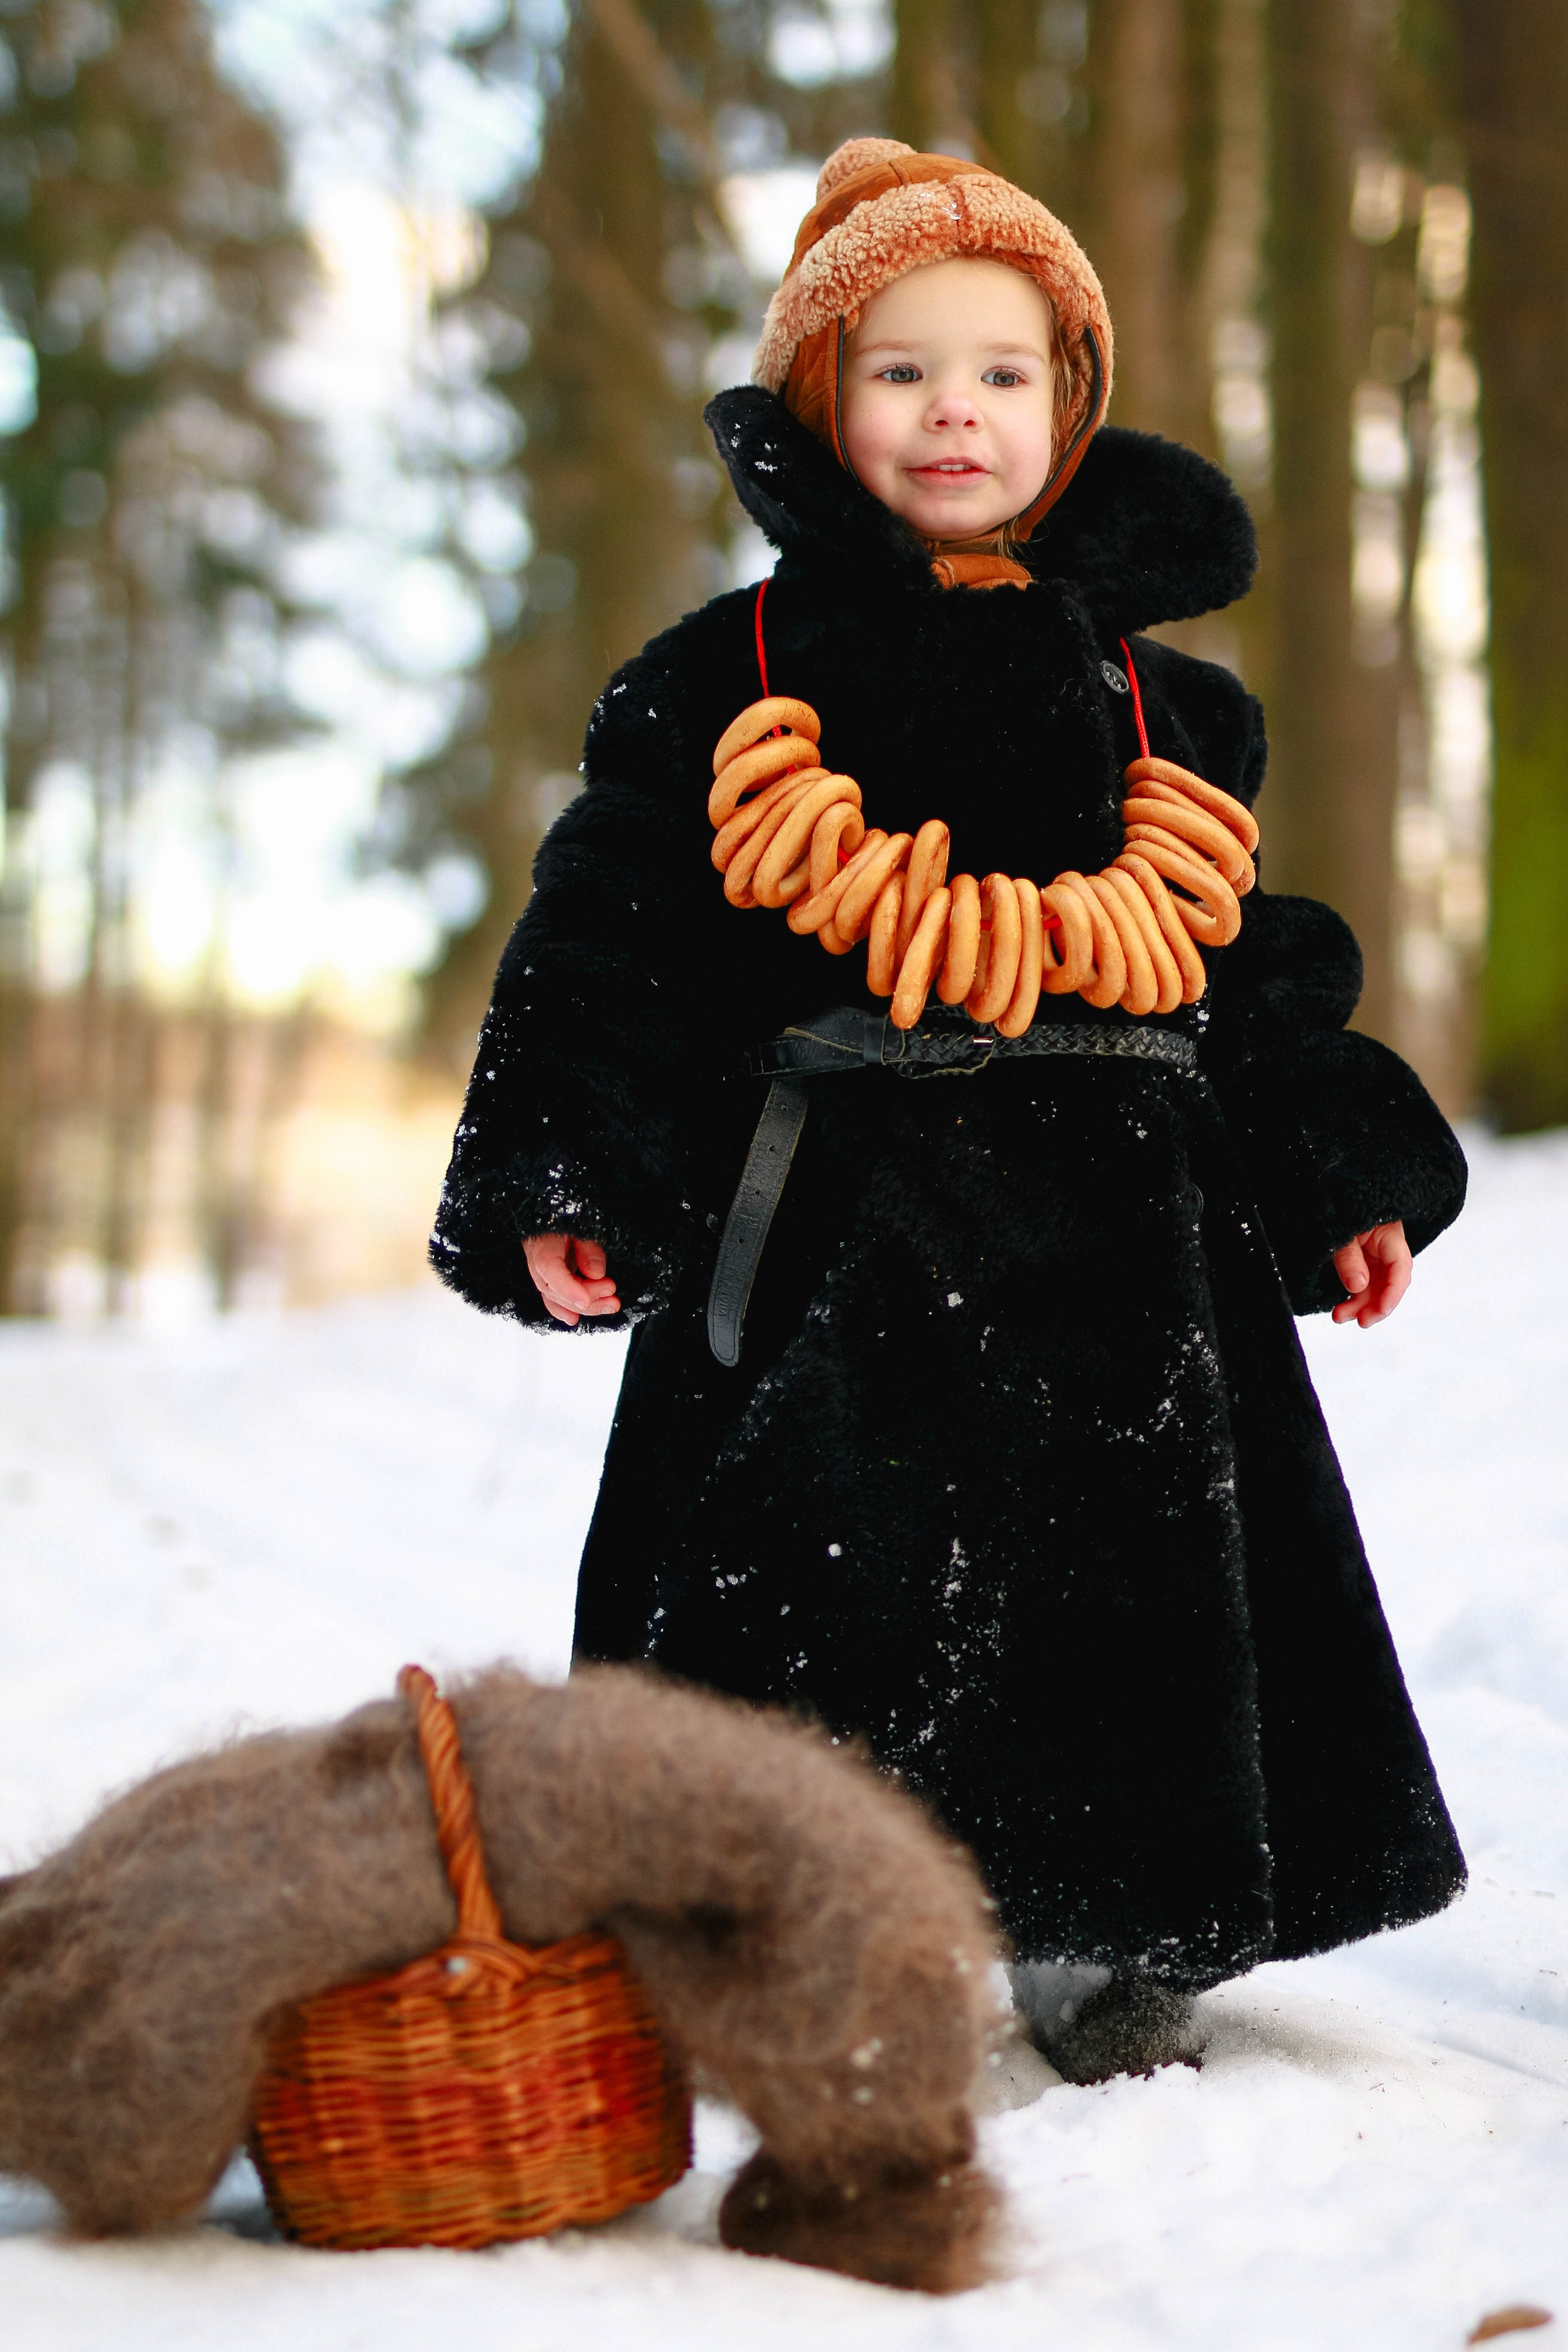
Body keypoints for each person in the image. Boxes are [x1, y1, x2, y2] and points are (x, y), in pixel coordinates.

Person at [431, 140, 1467, 2081]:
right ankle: (784, 1915)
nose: (953, 411)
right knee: (814, 1583)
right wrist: (572, 1174)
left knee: (1124, 1585)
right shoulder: (726, 678)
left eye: (1002, 370)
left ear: (1070, 406)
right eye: (900, 370)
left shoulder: (1172, 712)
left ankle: (1117, 1917)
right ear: (822, 399)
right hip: (836, 1202)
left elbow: (1246, 964)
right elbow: (613, 947)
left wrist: (1334, 1167)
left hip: (1125, 1231)